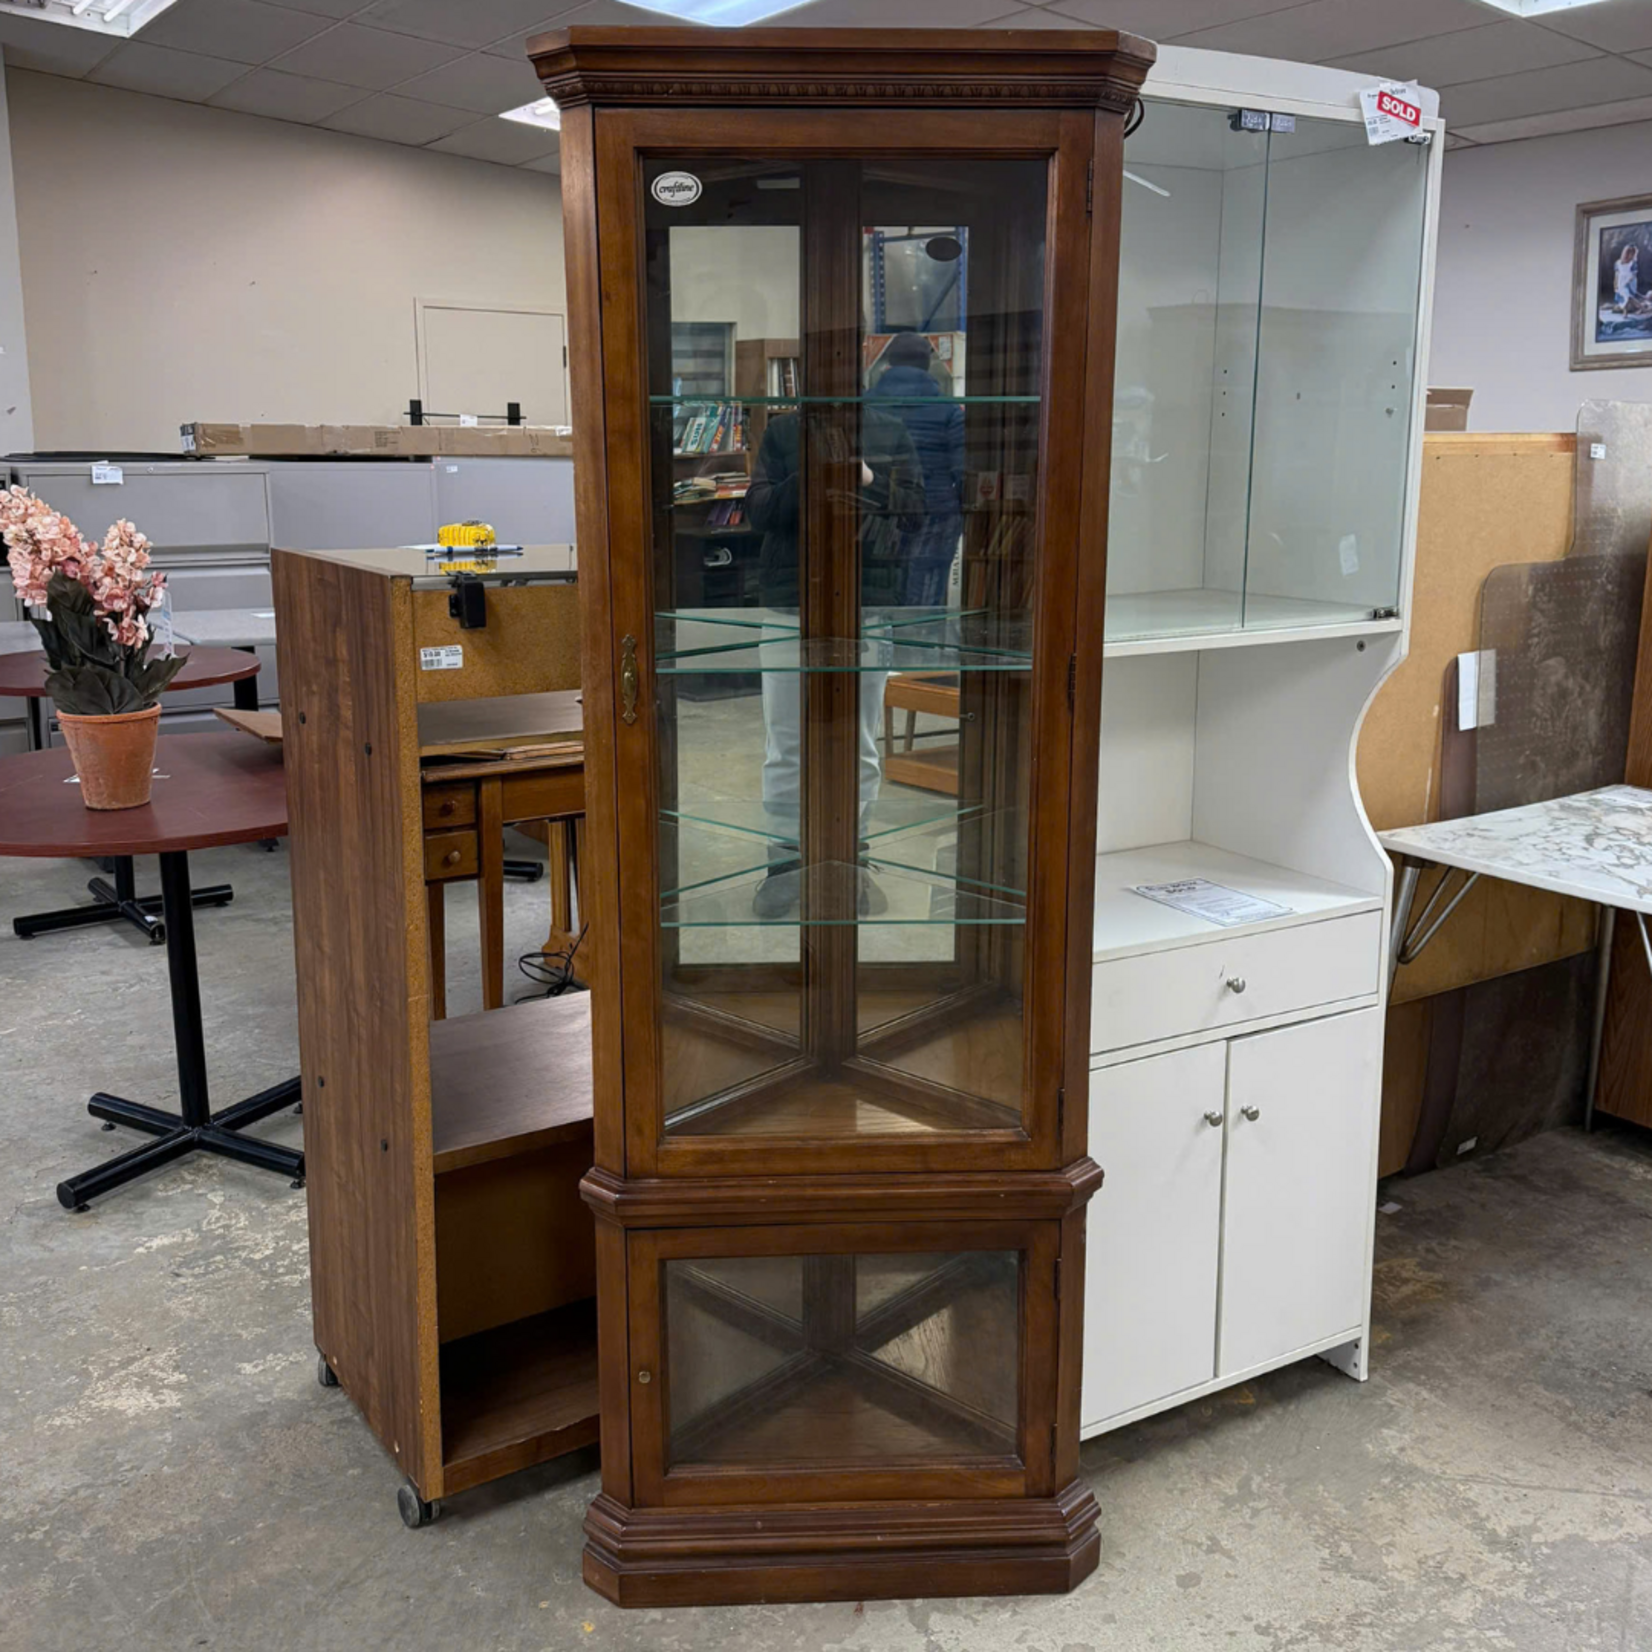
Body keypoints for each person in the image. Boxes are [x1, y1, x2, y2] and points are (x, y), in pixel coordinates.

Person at [744, 398, 924, 918]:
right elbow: (757, 512)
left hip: (865, 607)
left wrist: (866, 477)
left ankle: (854, 863)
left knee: (861, 744)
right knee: (786, 745)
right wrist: (810, 478)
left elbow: (916, 514)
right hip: (788, 606)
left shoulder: (890, 428)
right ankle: (783, 865)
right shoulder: (783, 433)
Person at [867, 331, 966, 609]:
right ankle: (920, 646)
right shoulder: (948, 411)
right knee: (925, 593)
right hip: (935, 513)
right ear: (926, 365)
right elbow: (963, 472)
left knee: (880, 591)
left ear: (889, 363)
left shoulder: (866, 403)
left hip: (879, 509)